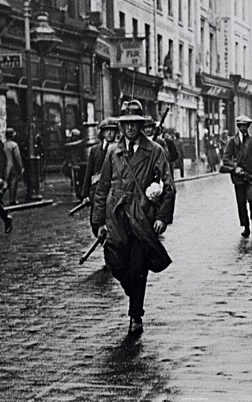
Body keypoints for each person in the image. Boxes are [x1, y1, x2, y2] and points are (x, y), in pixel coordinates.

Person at [92, 100, 176, 335]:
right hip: (116, 217)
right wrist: (98, 221)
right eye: (126, 123)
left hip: (141, 217)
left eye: (135, 123)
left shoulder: (155, 151)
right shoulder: (113, 152)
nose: (130, 128)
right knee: (116, 264)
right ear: (121, 125)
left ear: (141, 125)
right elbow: (103, 187)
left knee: (138, 267)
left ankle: (135, 315)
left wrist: (162, 217)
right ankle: (134, 293)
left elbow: (169, 186)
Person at [222, 115, 252, 237]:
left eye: (245, 126)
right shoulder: (232, 142)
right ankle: (246, 226)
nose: (243, 128)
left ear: (248, 127)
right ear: (238, 127)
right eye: (240, 126)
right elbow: (226, 158)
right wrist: (235, 167)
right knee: (241, 203)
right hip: (239, 178)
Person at [80, 117, 119, 236]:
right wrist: (85, 194)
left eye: (112, 130)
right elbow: (88, 172)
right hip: (96, 192)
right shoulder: (95, 150)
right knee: (96, 221)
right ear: (101, 133)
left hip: (113, 192)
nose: (109, 133)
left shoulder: (119, 149)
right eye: (106, 130)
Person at [4, 128, 24, 205]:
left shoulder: (3, 144)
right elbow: (17, 157)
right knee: (13, 182)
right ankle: (12, 199)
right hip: (12, 166)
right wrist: (21, 167)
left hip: (5, 166)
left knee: (5, 182)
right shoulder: (14, 145)